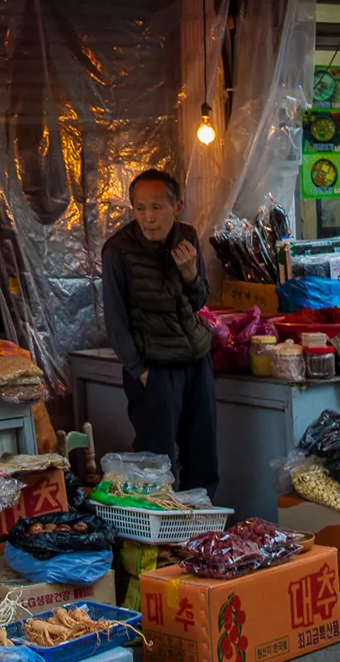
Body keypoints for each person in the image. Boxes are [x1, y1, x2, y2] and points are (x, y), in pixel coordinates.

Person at [102, 168, 218, 498]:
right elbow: (115, 321)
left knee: (203, 451)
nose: (148, 218)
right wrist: (139, 371)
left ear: (176, 205)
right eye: (140, 209)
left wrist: (191, 274)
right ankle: (161, 541)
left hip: (196, 360)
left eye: (156, 208)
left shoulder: (187, 236)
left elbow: (199, 300)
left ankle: (203, 532)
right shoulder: (118, 251)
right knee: (156, 461)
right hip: (155, 368)